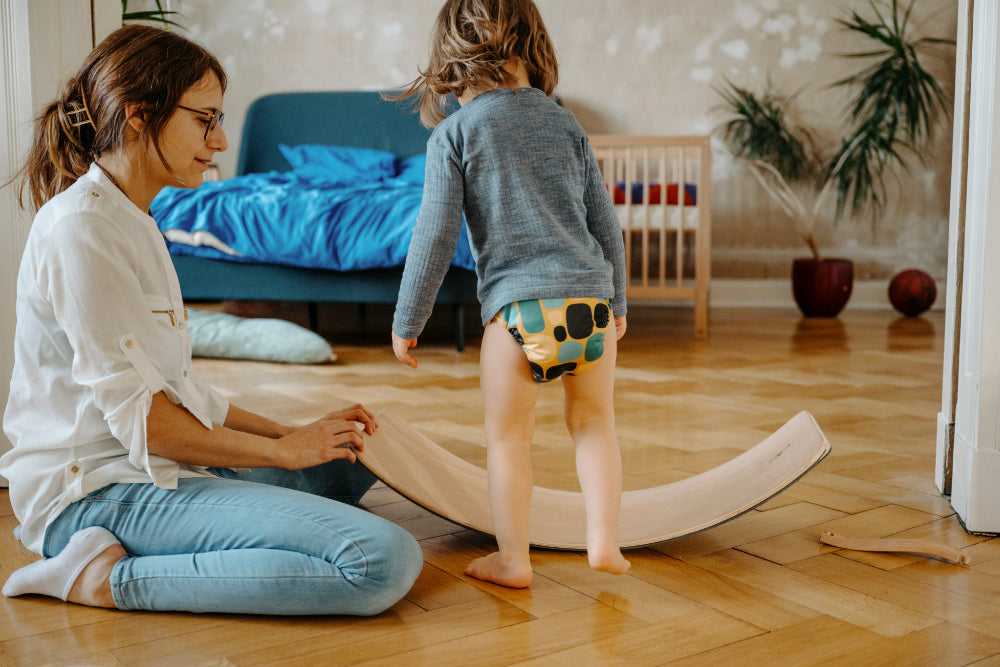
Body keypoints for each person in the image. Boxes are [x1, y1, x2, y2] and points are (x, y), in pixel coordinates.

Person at [0, 24, 422, 615]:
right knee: (382, 561)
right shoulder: (82, 230)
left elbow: (181, 392)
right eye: (205, 119)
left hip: (155, 461)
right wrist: (283, 453)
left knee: (348, 463)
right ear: (139, 115)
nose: (221, 141)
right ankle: (97, 577)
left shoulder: (137, 218)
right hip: (96, 491)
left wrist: (292, 434)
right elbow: (148, 427)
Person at [390, 0, 630, 588]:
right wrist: (618, 304)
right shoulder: (564, 121)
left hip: (518, 314)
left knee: (508, 439)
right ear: (534, 46)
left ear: (452, 62)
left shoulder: (456, 132)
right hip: (590, 308)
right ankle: (604, 543)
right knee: (596, 424)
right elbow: (606, 224)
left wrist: (407, 320)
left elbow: (434, 234)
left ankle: (513, 560)